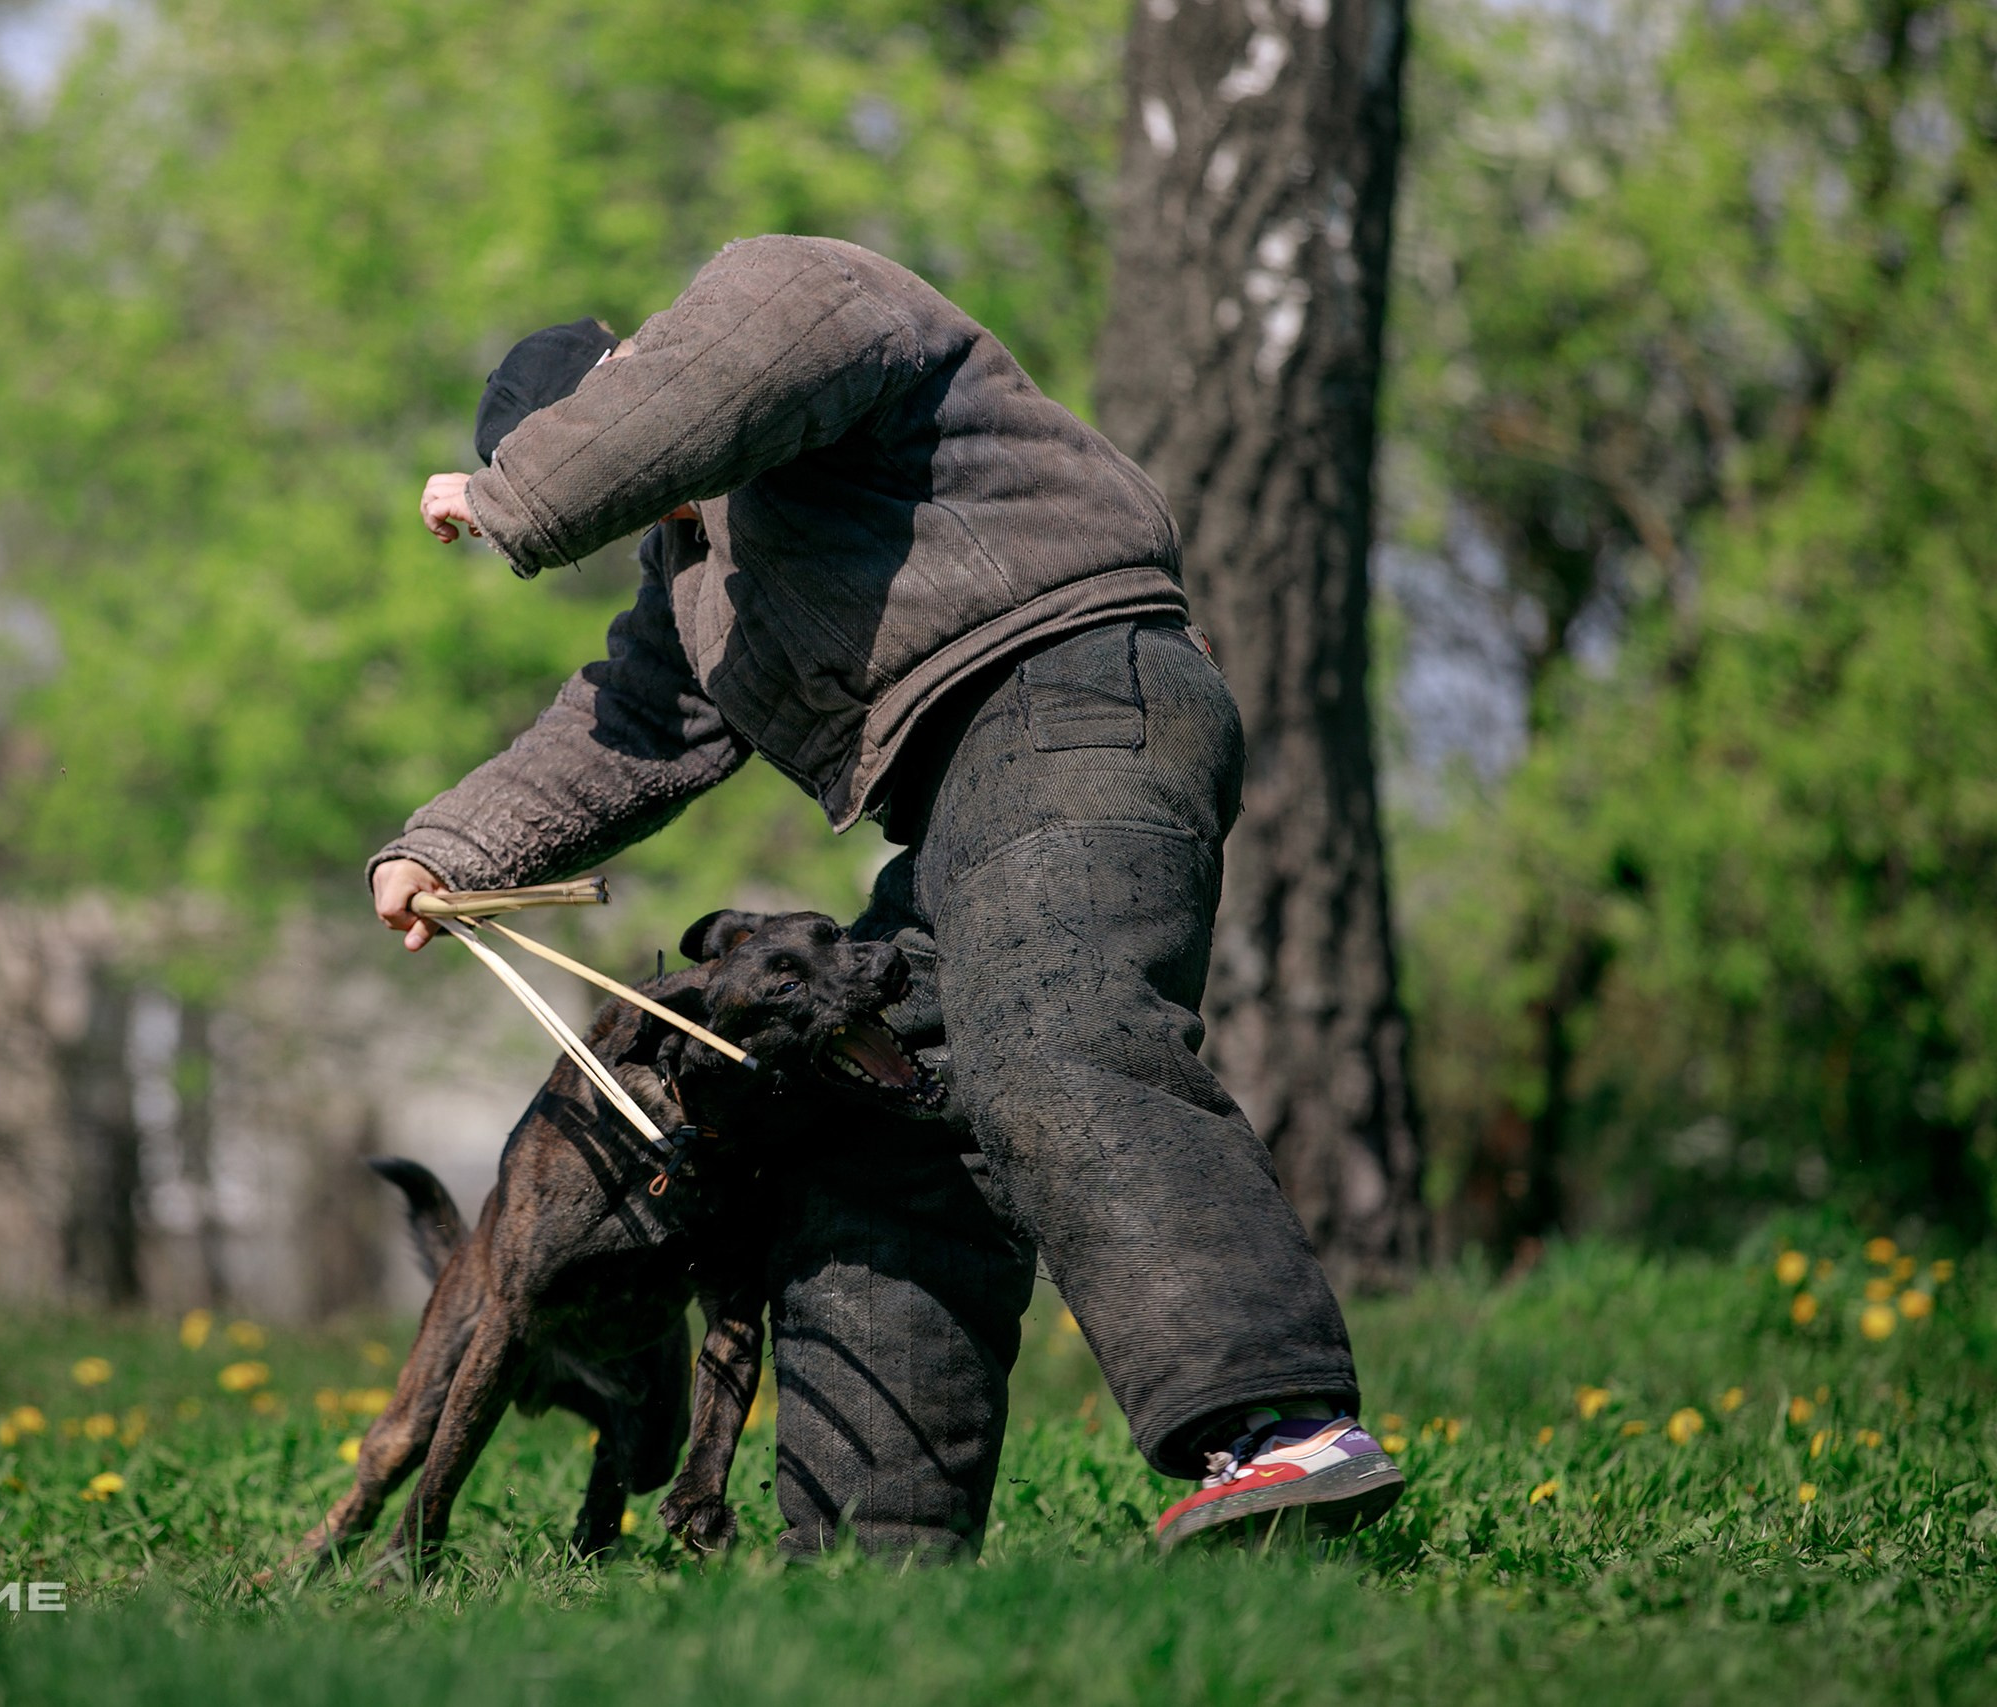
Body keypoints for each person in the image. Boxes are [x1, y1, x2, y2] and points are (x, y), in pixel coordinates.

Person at [368, 235, 1402, 1558]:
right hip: (960, 798)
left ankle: (1279, 1428)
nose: (658, 526)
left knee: (1052, 1031)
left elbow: (713, 382)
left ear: (627, 386)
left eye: (623, 471)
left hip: (1077, 693)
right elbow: (631, 715)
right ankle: (870, 1557)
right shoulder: (700, 584)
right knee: (876, 1120)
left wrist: (506, 495)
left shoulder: (781, 296)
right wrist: (444, 848)